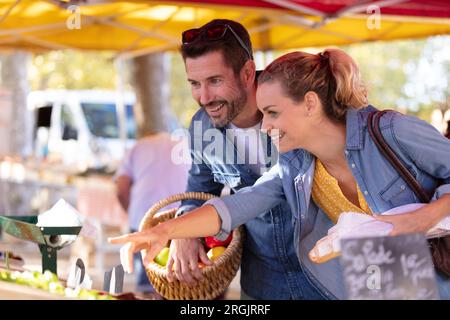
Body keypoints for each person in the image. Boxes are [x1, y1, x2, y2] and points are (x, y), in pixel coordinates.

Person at [110, 49, 450, 299]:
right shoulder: (296, 164)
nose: (266, 126)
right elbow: (241, 205)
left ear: (311, 104)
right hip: (381, 280)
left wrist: (426, 216)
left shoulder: (391, 132)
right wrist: (165, 231)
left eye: (272, 113)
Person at [165, 19, 325, 300]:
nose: (204, 97)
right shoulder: (202, 126)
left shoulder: (296, 104)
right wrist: (183, 229)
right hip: (262, 282)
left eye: (215, 81)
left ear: (248, 72)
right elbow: (199, 190)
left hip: (326, 275)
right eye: (194, 83)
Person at [114, 131, 190, 293]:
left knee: (150, 284)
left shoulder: (138, 146)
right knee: (180, 285)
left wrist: (131, 212)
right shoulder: (186, 145)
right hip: (180, 221)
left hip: (144, 218)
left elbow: (121, 189)